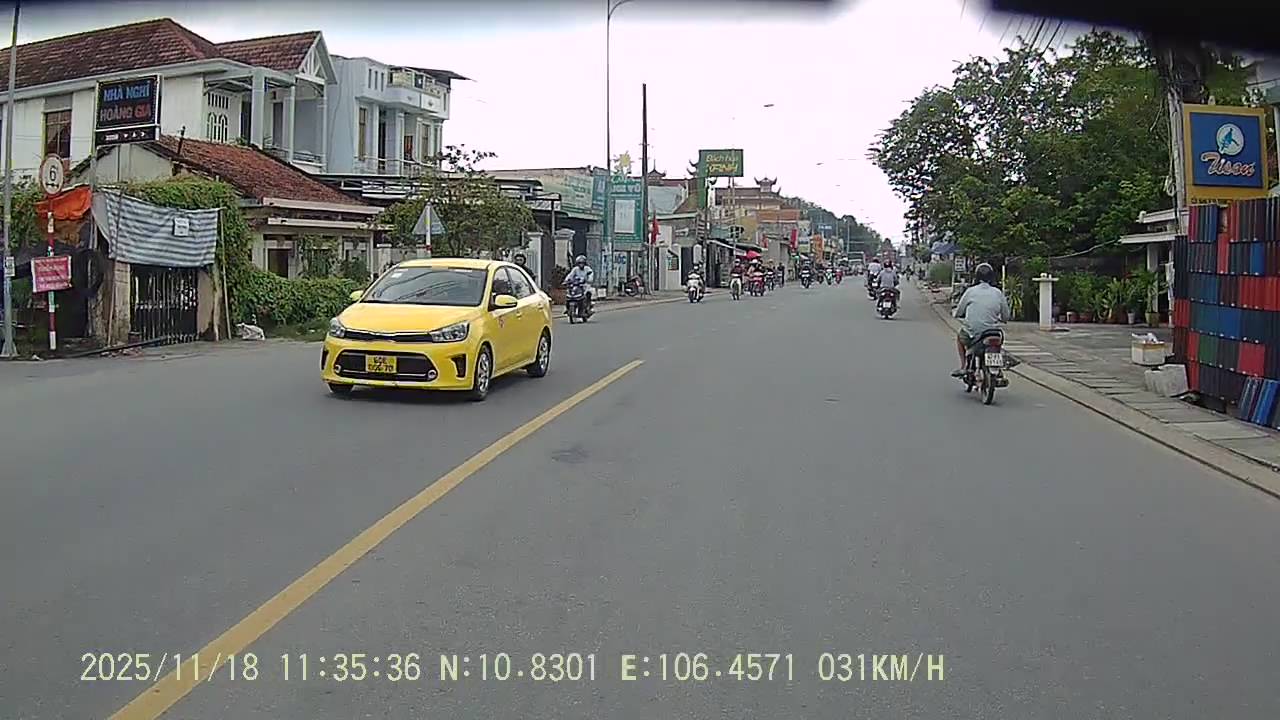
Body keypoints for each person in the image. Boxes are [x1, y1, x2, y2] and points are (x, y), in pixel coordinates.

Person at [951, 262, 1011, 377]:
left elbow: (959, 311)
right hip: (993, 332)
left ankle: (964, 366)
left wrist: (957, 314)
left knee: (960, 338)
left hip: (972, 332)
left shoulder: (970, 291)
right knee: (998, 342)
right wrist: (1002, 319)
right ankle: (997, 368)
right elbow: (1006, 316)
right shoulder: (998, 293)